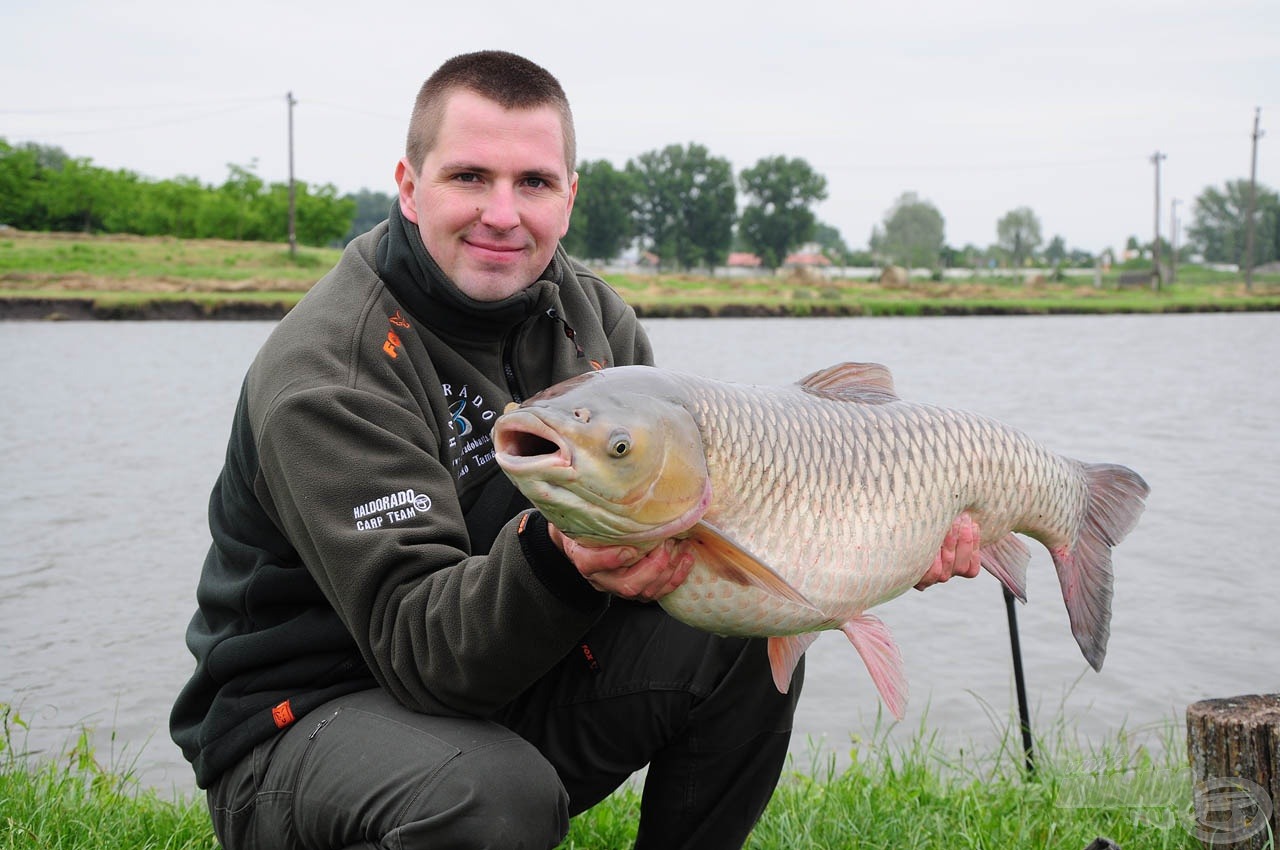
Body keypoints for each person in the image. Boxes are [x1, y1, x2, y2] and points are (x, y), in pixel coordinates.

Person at [171, 50, 980, 850]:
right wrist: (560, 560)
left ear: (569, 197)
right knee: (493, 800)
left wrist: (876, 543)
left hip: (499, 671)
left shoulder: (592, 317)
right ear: (410, 188)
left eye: (533, 183)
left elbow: (670, 539)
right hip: (303, 719)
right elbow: (418, 649)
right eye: (469, 177)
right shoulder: (333, 368)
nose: (502, 212)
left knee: (742, 644)